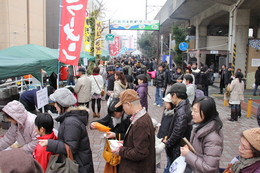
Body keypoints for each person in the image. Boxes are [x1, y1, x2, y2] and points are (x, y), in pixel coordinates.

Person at [39, 88, 94, 173]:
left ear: (61, 105)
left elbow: (71, 148)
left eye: (56, 103)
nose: (54, 106)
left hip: (79, 166)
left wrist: (50, 143)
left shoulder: (71, 122)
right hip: (81, 162)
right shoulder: (70, 119)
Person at [112, 89, 156, 173]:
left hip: (136, 168)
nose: (123, 109)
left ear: (129, 104)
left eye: (123, 106)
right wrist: (125, 143)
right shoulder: (143, 116)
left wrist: (120, 150)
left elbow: (140, 153)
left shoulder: (140, 123)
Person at [180, 96, 223, 173]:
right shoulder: (198, 126)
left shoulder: (213, 138)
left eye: (195, 111)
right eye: (192, 109)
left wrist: (188, 154)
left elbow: (209, 167)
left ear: (206, 113)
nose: (192, 113)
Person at [91, 99, 131, 172]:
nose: (114, 116)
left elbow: (130, 136)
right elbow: (103, 121)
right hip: (112, 149)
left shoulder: (128, 119)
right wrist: (94, 124)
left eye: (116, 114)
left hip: (123, 148)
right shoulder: (112, 115)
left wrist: (115, 134)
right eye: (113, 114)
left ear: (122, 111)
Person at [162, 83, 192, 173]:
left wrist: (168, 143)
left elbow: (177, 133)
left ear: (175, 95)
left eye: (171, 96)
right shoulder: (183, 107)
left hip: (177, 149)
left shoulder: (181, 111)